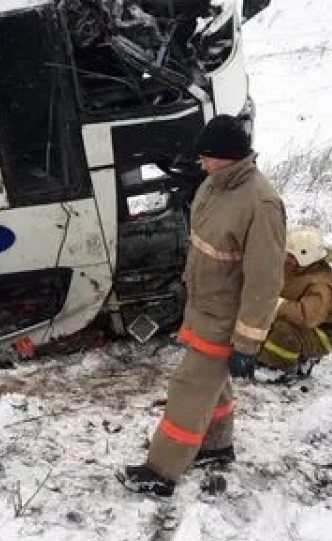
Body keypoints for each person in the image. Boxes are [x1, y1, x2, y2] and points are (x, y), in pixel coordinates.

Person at [116, 115, 286, 497]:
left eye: (207, 157)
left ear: (228, 158)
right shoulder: (216, 183)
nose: (201, 163)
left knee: (190, 387)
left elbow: (264, 280)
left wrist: (246, 343)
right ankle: (216, 446)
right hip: (203, 305)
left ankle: (161, 471)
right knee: (214, 384)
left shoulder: (261, 204)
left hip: (225, 318)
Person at [255, 227, 332, 380]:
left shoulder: (322, 285)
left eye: (291, 256)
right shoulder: (298, 268)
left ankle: (280, 368)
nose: (286, 259)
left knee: (285, 331)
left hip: (321, 334)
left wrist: (278, 305)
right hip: (303, 326)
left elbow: (308, 317)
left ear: (306, 256)